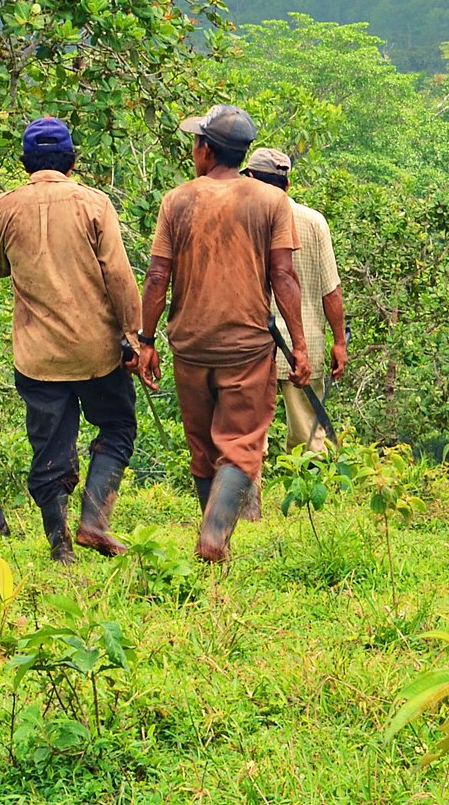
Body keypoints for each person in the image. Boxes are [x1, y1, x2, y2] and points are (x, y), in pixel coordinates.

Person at [134, 104, 310, 563]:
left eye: (196, 142)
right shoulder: (271, 202)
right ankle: (214, 538)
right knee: (241, 444)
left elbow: (157, 277)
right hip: (247, 346)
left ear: (207, 150)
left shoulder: (178, 200)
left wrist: (145, 340)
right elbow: (284, 277)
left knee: (204, 445)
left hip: (190, 345)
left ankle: (213, 539)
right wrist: (300, 347)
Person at [0, 117, 142, 563]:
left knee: (49, 447)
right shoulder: (94, 203)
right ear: (73, 161)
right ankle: (95, 520)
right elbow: (119, 275)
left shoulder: (6, 206)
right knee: (116, 426)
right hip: (98, 350)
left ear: (24, 162)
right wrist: (135, 337)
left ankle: (60, 545)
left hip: (38, 354)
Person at [242, 147, 350, 454]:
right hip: (303, 344)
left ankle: (246, 498)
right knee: (308, 440)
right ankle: (309, 495)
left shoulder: (241, 222)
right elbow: (332, 290)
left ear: (249, 179)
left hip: (249, 343)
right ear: (287, 185)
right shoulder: (313, 222)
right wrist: (339, 341)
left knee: (246, 440)